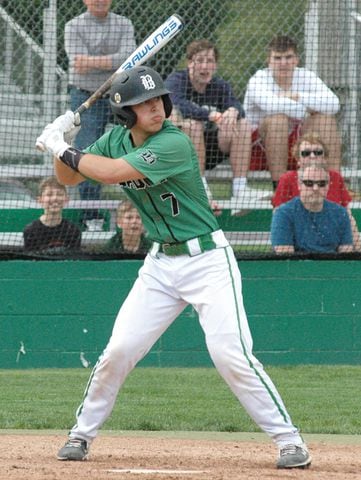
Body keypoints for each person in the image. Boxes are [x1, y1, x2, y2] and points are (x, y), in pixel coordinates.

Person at [36, 65, 311, 469]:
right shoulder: (114, 139)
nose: (155, 109)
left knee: (229, 353)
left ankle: (289, 440)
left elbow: (112, 173)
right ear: (126, 113)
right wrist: (65, 138)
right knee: (120, 350)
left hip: (208, 262)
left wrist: (62, 148)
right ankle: (81, 434)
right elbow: (70, 178)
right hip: (161, 264)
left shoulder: (174, 142)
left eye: (157, 100)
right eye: (142, 104)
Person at [64, 0, 136, 218]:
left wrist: (91, 61)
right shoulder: (73, 26)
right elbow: (77, 63)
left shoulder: (124, 24)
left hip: (120, 96)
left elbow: (129, 59)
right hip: (86, 96)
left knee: (138, 144)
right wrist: (115, 63)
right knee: (87, 153)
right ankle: (91, 216)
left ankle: (139, 212)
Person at [243, 35, 341, 191]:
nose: (283, 63)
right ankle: (281, 190)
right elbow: (270, 105)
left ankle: (335, 187)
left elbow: (334, 104)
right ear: (269, 61)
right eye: (278, 58)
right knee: (278, 120)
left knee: (325, 120)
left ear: (296, 59)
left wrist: (297, 96)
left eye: (288, 57)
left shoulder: (305, 76)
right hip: (259, 150)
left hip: (299, 148)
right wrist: (306, 108)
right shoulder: (258, 79)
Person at [165, 39, 256, 201]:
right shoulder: (176, 80)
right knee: (193, 125)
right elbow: (176, 103)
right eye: (199, 61)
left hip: (213, 150)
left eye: (210, 61)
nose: (205, 66)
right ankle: (200, 188)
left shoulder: (220, 85)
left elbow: (236, 104)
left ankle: (240, 190)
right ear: (189, 63)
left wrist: (233, 111)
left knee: (242, 124)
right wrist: (209, 115)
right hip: (185, 152)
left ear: (215, 65)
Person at [272, 132, 361, 250]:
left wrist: (358, 247)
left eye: (318, 152)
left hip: (332, 237)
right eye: (306, 153)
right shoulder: (287, 179)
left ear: (324, 158)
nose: (312, 156)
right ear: (298, 159)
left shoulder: (335, 177)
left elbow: (348, 216)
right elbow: (278, 215)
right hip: (300, 241)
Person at [271, 164, 353, 254]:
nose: (315, 188)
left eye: (321, 184)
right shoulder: (283, 213)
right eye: (309, 183)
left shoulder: (340, 213)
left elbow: (346, 255)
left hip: (333, 266)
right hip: (298, 266)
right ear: (299, 185)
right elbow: (285, 256)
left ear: (328, 186)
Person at [23, 176, 81, 252]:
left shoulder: (73, 230)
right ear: (40, 200)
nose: (55, 198)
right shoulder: (31, 231)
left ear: (66, 200)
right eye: (49, 194)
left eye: (59, 194)